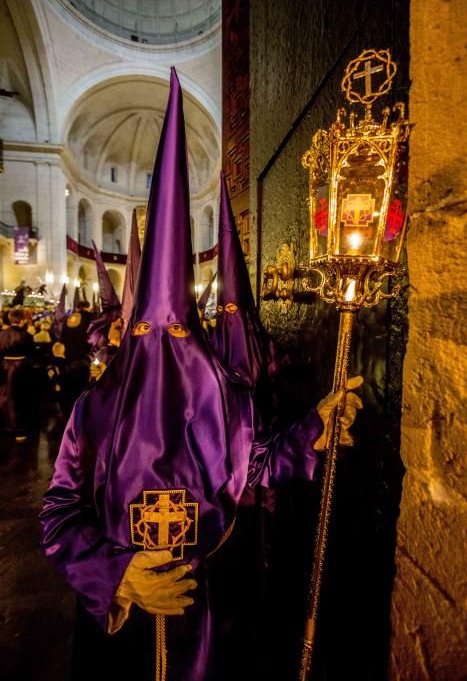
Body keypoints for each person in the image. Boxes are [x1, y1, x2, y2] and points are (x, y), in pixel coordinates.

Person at [40, 70, 363, 681]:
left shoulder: (227, 400)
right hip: (121, 618)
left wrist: (315, 428)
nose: (164, 345)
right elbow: (58, 515)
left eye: (178, 330)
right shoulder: (94, 410)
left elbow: (259, 463)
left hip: (205, 618)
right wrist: (117, 575)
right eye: (146, 331)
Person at [0, 308, 37, 441]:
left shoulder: (2, 334)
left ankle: (6, 427)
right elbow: (32, 352)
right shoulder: (26, 335)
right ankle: (19, 430)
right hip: (21, 369)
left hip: (5, 368)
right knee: (20, 399)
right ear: (22, 320)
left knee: (5, 398)